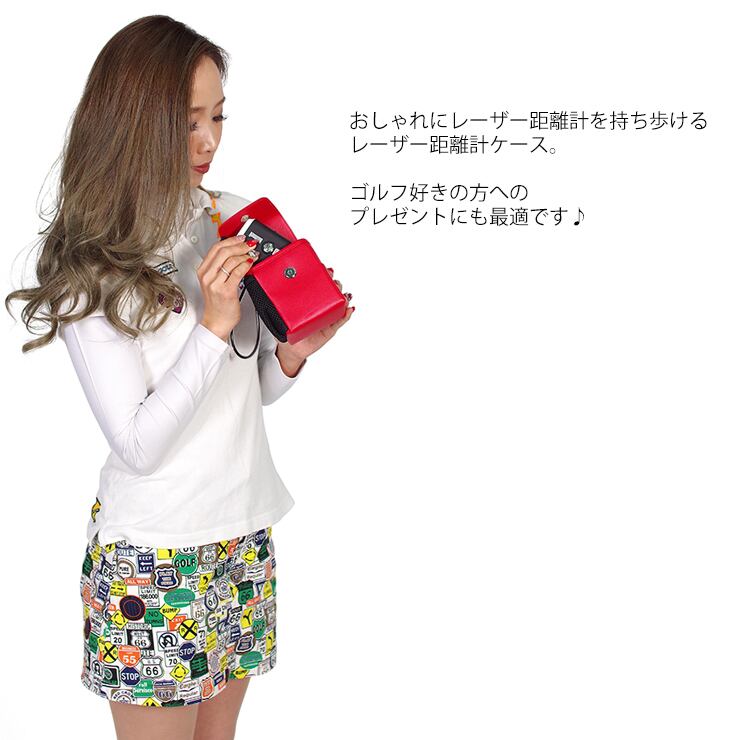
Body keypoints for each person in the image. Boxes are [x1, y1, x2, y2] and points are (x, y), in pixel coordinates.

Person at [4, 14, 354, 740]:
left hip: (240, 533)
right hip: (154, 554)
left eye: (218, 116)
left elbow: (248, 391)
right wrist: (213, 324)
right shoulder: (94, 265)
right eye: (188, 120)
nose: (209, 141)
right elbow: (138, 445)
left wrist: (294, 352)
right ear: (134, 122)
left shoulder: (232, 220)